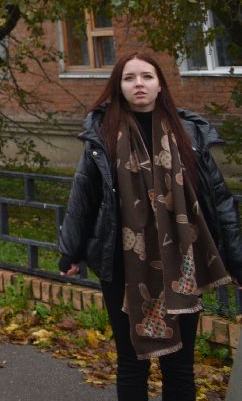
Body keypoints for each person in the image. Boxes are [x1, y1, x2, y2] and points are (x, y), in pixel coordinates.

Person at [57, 50, 242, 401]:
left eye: (146, 77)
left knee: (179, 365)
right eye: (129, 78)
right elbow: (83, 196)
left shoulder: (189, 133)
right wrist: (71, 251)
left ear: (160, 85)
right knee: (131, 363)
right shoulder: (104, 134)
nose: (138, 84)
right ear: (118, 87)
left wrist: (236, 260)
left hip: (183, 264)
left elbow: (219, 198)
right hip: (122, 263)